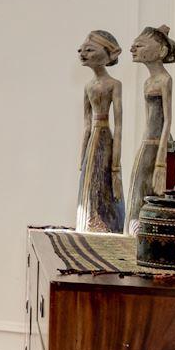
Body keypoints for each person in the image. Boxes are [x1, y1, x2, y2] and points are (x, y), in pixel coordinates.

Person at [127, 25, 175, 228]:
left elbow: (168, 119)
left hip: (159, 143)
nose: (133, 49)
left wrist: (160, 160)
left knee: (151, 190)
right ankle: (134, 231)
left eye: (139, 45)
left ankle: (146, 230)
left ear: (161, 51)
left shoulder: (165, 80)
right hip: (147, 142)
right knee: (137, 188)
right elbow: (148, 118)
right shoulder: (148, 82)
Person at [75, 29, 125, 233]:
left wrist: (115, 166)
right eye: (81, 50)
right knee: (90, 184)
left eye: (89, 49)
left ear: (109, 54)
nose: (82, 53)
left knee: (103, 184)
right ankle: (88, 225)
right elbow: (87, 125)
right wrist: (82, 159)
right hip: (93, 143)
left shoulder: (114, 84)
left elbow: (119, 124)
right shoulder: (88, 87)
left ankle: (107, 226)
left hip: (105, 140)